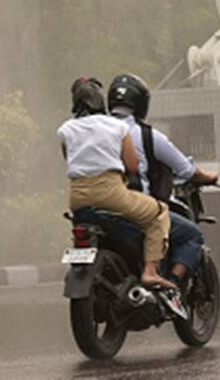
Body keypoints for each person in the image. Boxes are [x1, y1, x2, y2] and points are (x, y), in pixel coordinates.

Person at [57, 76, 176, 290]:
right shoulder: (116, 126)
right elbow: (132, 165)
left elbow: (70, 159)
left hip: (78, 199)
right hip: (112, 195)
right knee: (159, 212)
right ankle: (150, 271)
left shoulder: (66, 129)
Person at [107, 73, 218, 288]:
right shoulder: (147, 136)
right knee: (191, 235)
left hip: (98, 207)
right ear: (141, 103)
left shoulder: (95, 131)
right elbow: (186, 169)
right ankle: (173, 287)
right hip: (135, 209)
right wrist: (209, 177)